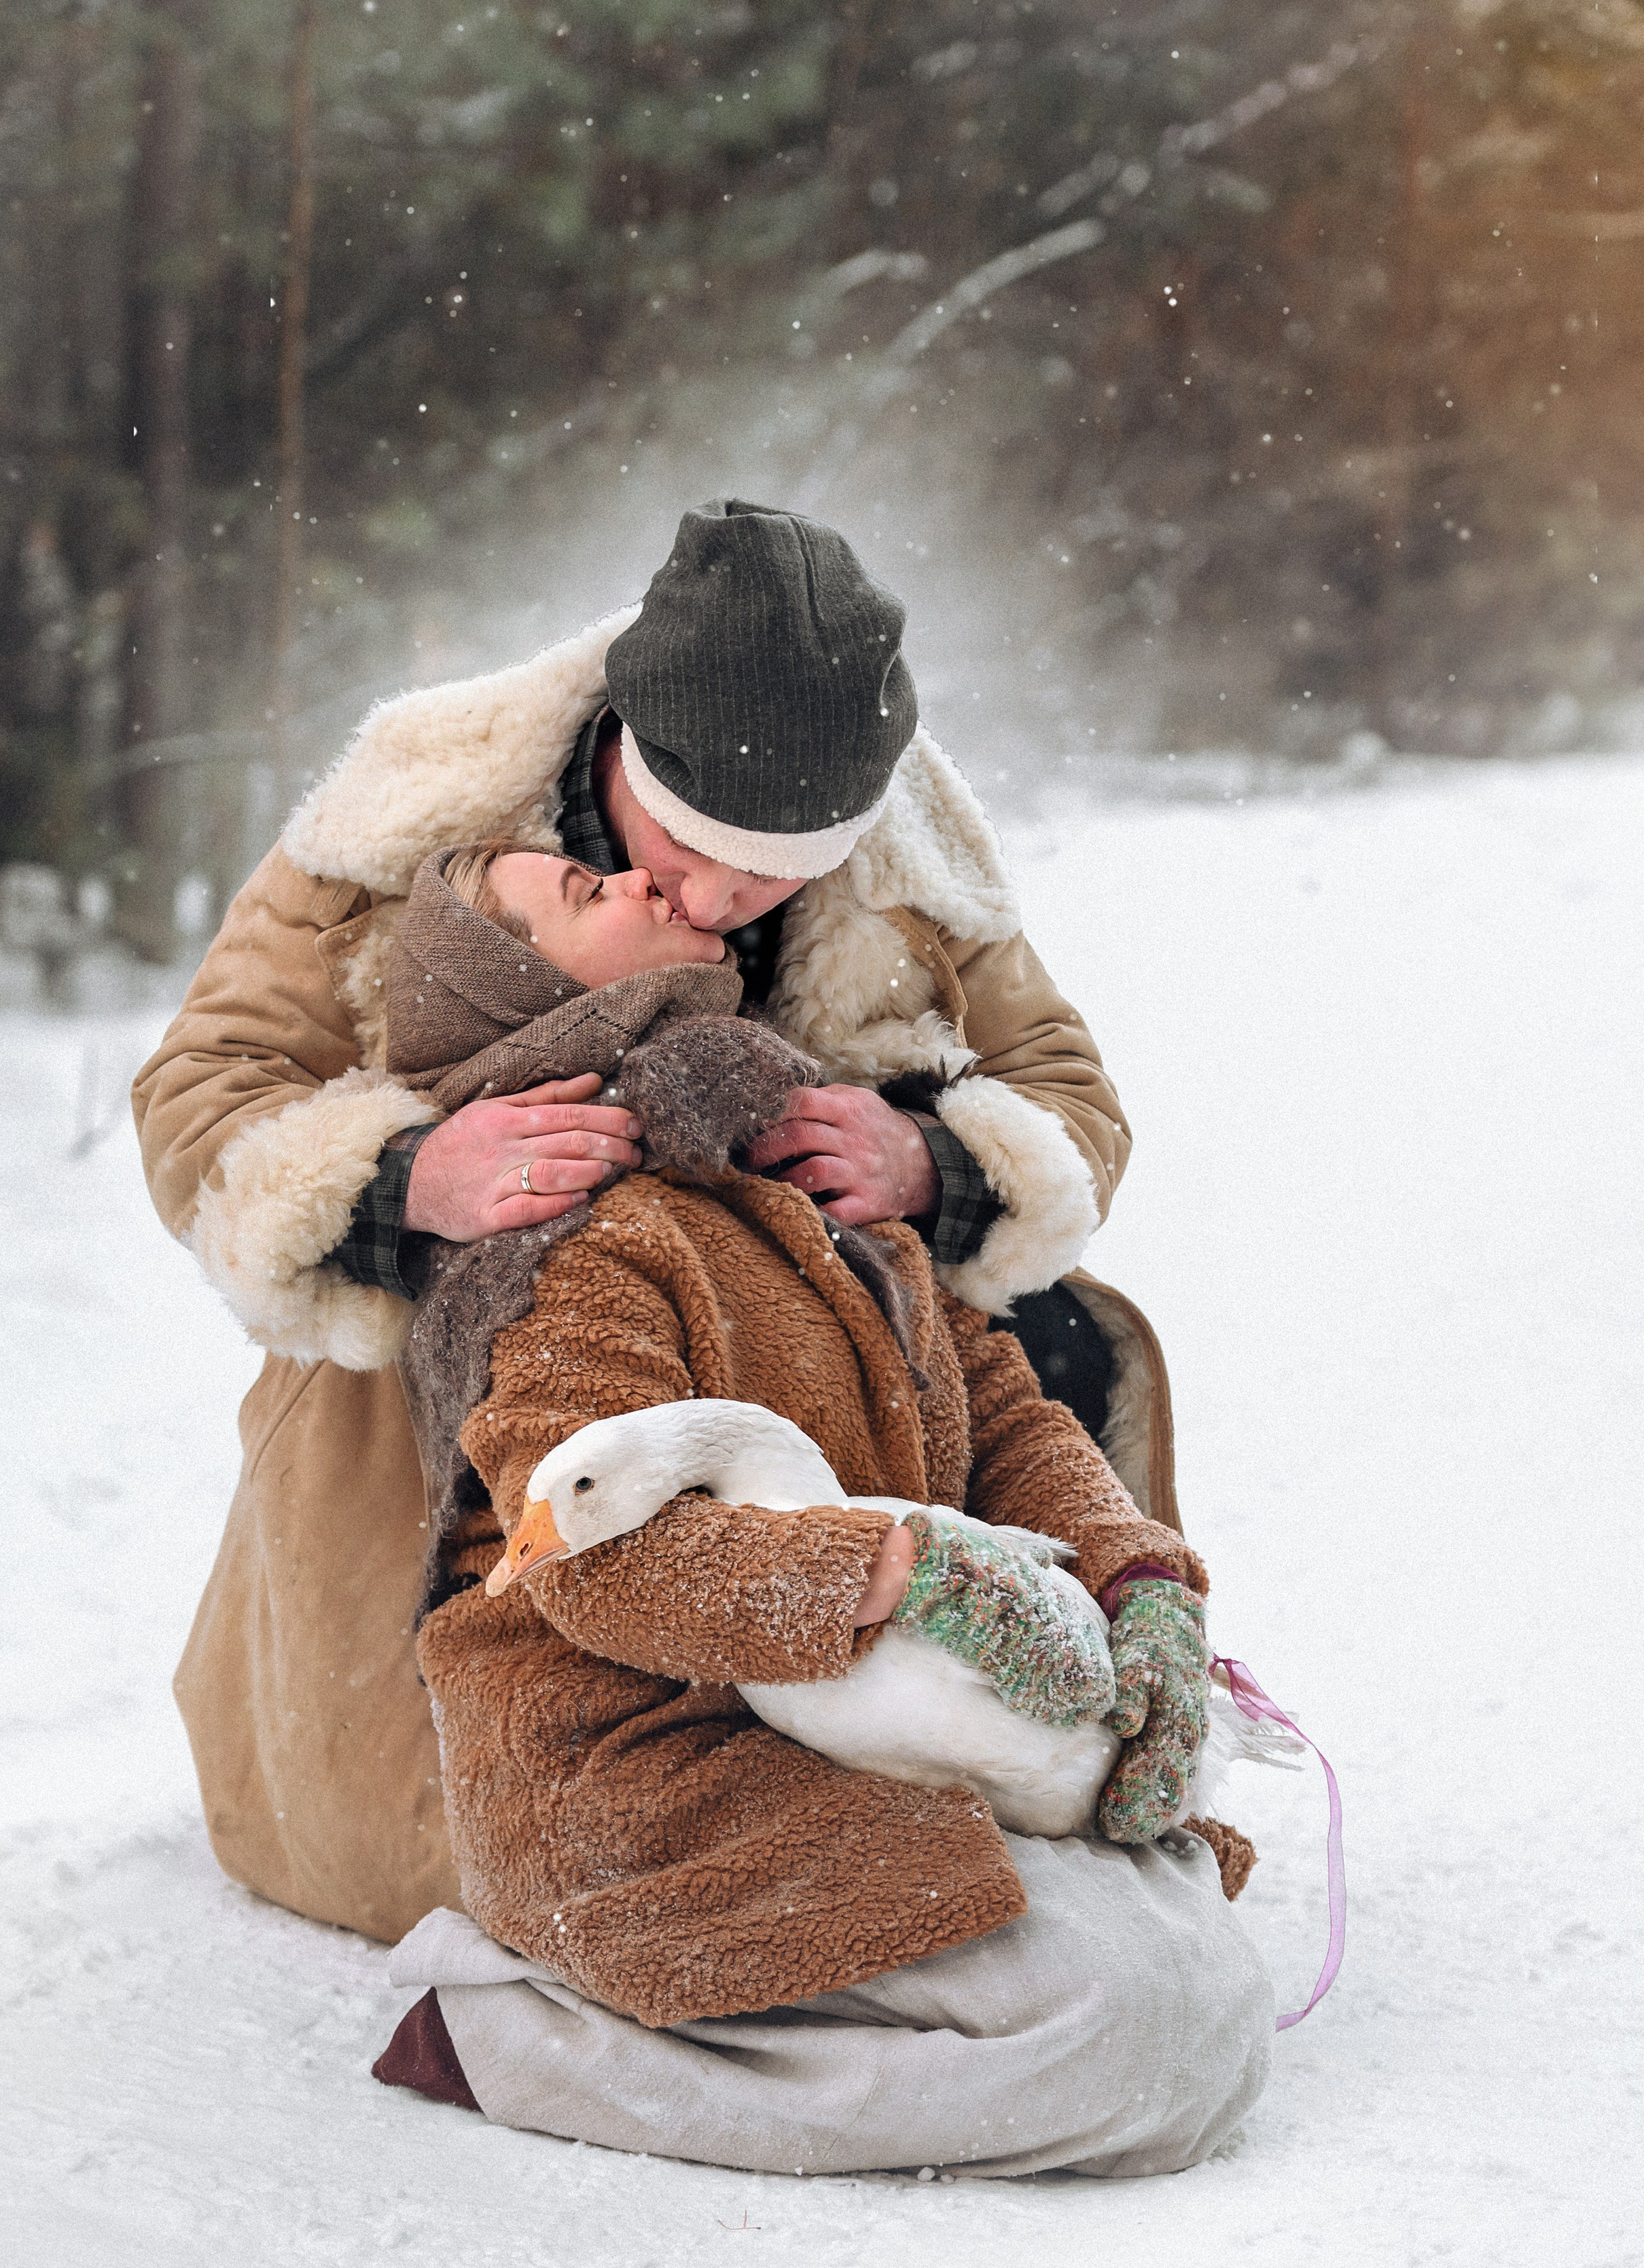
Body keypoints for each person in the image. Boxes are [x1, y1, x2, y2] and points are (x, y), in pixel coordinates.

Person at [133, 497, 1175, 1946]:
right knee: (459, 1776)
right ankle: (570, 1813)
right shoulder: (415, 807)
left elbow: (1067, 1094)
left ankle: (1058, 1712)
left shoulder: (907, 844)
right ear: (624, 746)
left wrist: (932, 1160)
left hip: (796, 1316)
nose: (717, 896)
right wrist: (405, 1183)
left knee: (1059, 1351)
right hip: (487, 1330)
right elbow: (201, 1083)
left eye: (775, 872)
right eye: (685, 848)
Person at [366, 843, 1270, 2176]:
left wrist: (1139, 1587)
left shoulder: (806, 1171)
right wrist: (895, 1572)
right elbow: (586, 1561)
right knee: (1150, 2039)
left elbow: (1010, 1415)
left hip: (857, 1727)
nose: (628, 881)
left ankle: (882, 2012)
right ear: (515, 986)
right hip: (647, 1774)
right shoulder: (556, 1237)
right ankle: (516, 2039)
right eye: (577, 893)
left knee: (1197, 1976)